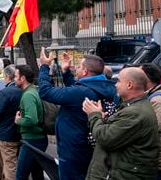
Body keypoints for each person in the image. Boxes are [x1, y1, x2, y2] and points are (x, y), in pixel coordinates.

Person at [38, 50, 117, 180]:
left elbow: (46, 92)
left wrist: (44, 67)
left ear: (85, 71)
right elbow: (77, 92)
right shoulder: (102, 87)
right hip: (86, 145)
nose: (77, 69)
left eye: (79, 67)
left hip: (73, 149)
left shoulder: (81, 92)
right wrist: (66, 72)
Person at [82, 67, 158, 179]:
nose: (115, 85)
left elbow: (105, 138)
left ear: (129, 85)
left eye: (118, 81)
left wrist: (94, 115)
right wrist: (102, 119)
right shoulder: (132, 107)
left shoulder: (135, 113)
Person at [13, 65, 46, 180]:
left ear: (22, 78)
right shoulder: (33, 90)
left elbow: (31, 119)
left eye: (16, 76)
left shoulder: (28, 95)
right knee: (37, 174)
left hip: (32, 140)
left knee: (21, 175)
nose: (14, 78)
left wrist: (18, 120)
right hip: (37, 139)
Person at [0, 64, 22, 180]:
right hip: (21, 132)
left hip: (6, 133)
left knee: (9, 165)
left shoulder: (5, 92)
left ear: (8, 76)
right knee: (20, 164)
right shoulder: (24, 90)